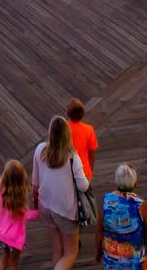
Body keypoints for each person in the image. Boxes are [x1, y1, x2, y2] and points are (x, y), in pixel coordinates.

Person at [30, 115, 92, 269]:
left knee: (58, 248)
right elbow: (83, 186)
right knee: (71, 253)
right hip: (65, 210)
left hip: (45, 205)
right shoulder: (72, 157)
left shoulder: (40, 150)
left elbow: (35, 183)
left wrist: (34, 203)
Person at [98, 163, 147, 269]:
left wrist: (98, 251)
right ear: (135, 183)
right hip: (136, 263)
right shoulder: (140, 205)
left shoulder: (106, 201)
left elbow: (99, 230)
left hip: (112, 262)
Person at [0, 158, 38, 270]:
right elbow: (28, 215)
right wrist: (40, 211)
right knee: (13, 262)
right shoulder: (19, 201)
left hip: (0, 234)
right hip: (13, 238)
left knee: (5, 256)